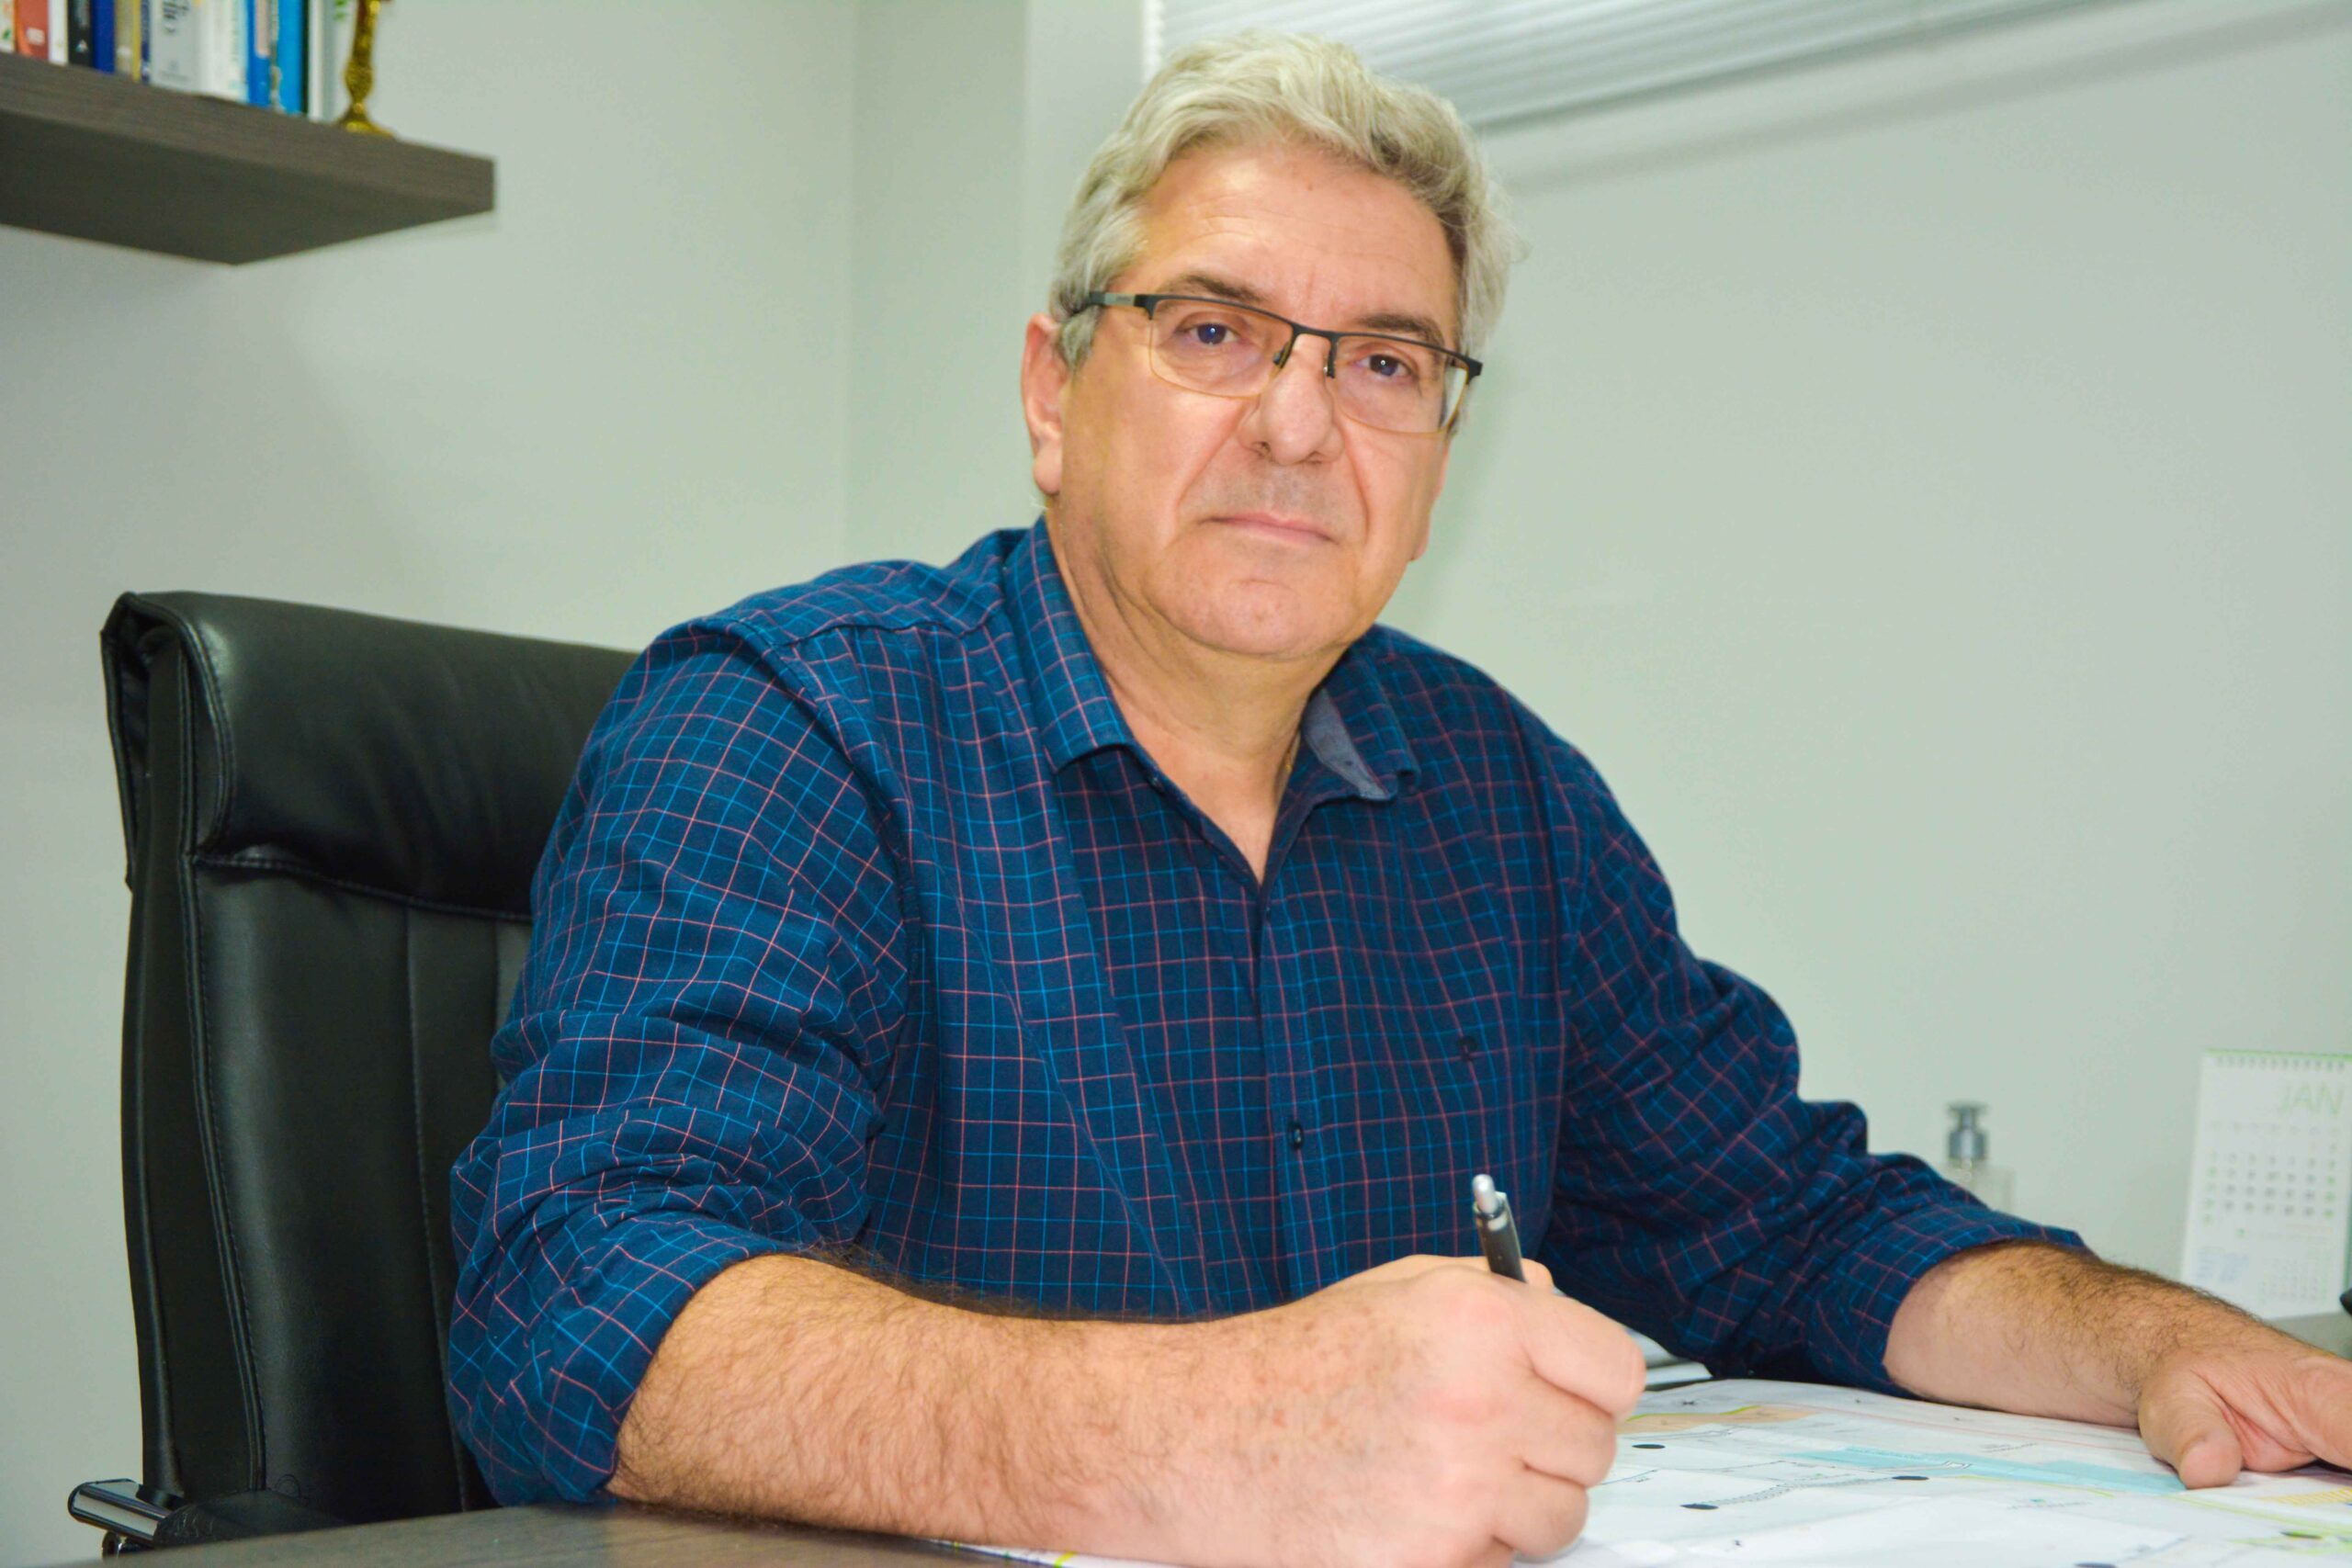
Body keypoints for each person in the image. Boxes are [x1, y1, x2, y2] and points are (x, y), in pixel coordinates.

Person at [448, 31, 2352, 1568]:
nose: (1296, 423)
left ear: (1439, 449)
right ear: (1051, 393)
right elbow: (579, 1303)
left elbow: (1788, 1223)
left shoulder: (1498, 794)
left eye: (1382, 362)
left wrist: (2161, 1340)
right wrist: (1207, 1436)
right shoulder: (791, 728)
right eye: (1212, 329)